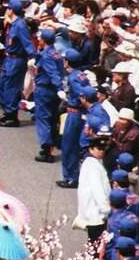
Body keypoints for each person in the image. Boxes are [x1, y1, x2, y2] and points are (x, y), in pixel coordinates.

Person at [0, 1, 36, 128]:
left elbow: (28, 43)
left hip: (17, 60)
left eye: (8, 9)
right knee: (2, 85)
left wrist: (33, 58)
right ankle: (7, 111)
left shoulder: (20, 26)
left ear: (12, 10)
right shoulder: (13, 24)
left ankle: (12, 116)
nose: (6, 10)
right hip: (9, 58)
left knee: (11, 88)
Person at [57, 48, 88, 189]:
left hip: (74, 113)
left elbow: (82, 94)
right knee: (72, 145)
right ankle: (72, 176)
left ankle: (71, 177)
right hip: (77, 113)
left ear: (68, 62)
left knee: (68, 146)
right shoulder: (81, 75)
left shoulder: (73, 77)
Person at [33, 28, 64, 163]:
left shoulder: (47, 55)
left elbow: (53, 73)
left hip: (45, 89)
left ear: (43, 40)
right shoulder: (56, 53)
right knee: (51, 119)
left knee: (43, 119)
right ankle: (50, 145)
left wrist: (59, 86)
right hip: (52, 91)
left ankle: (46, 150)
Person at [76, 136, 112, 244]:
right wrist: (106, 209)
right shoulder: (92, 165)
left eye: (103, 148)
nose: (102, 151)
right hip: (96, 213)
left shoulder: (94, 163)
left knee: (95, 245)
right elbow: (98, 190)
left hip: (94, 212)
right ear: (91, 149)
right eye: (99, 148)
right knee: (97, 247)